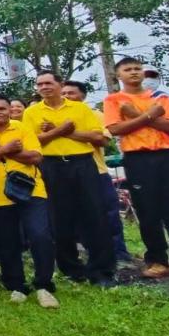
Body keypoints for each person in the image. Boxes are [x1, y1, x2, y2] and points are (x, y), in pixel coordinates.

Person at [23, 71, 115, 287]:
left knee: (95, 215)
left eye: (48, 83)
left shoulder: (80, 108)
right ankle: (71, 269)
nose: (44, 87)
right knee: (59, 218)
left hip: (82, 163)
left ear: (60, 84)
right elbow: (31, 142)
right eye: (39, 84)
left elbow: (98, 137)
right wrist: (61, 130)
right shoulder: (32, 112)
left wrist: (59, 132)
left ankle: (101, 270)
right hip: (51, 165)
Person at [0, 94, 59, 308]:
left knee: (40, 236)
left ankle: (44, 284)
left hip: (31, 191)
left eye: (2, 108)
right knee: (7, 242)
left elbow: (35, 157)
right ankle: (16, 286)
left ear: (10, 110)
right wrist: (6, 149)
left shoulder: (22, 128)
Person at [104, 58, 169, 278]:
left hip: (167, 155)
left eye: (137, 69)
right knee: (148, 210)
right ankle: (157, 260)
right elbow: (116, 129)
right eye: (128, 69)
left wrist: (135, 116)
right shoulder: (114, 100)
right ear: (118, 75)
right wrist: (150, 115)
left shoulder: (162, 98)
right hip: (137, 158)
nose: (134, 72)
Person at [62, 80, 132, 265]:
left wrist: (65, 132)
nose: (67, 96)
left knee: (109, 213)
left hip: (97, 171)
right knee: (77, 216)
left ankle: (119, 253)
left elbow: (102, 140)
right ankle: (89, 253)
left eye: (71, 93)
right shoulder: (55, 117)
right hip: (67, 174)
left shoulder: (96, 115)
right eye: (64, 93)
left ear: (83, 96)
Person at [142, 67, 169, 158]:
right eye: (145, 76)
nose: (148, 79)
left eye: (152, 76)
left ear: (159, 80)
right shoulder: (129, 101)